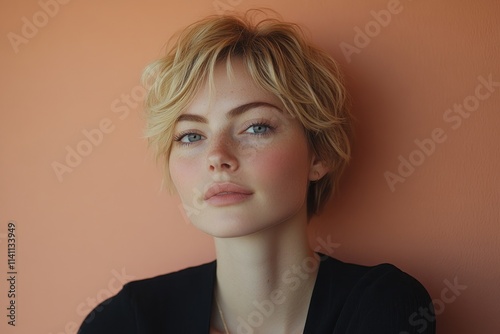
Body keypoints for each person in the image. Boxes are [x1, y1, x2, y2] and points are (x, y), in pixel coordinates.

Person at [78, 10, 435, 334]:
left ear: (318, 155)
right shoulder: (122, 321)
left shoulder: (384, 304)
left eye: (256, 127)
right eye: (191, 135)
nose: (217, 157)